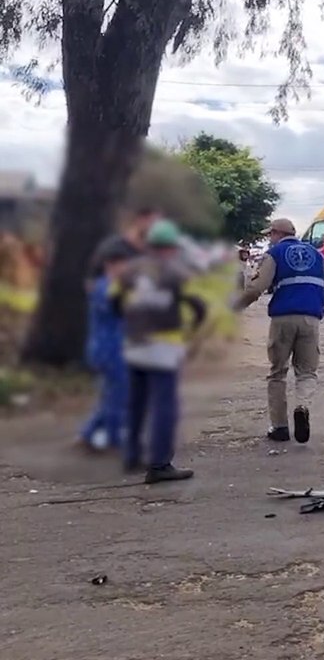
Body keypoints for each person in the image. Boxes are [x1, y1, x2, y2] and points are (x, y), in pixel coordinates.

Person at [111, 219, 207, 483]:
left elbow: (115, 302)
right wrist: (191, 331)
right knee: (165, 405)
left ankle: (131, 456)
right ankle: (160, 464)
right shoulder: (176, 271)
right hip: (164, 345)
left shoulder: (130, 270)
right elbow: (198, 306)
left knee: (136, 402)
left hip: (135, 343)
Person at [236, 218, 324, 444]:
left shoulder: (275, 254)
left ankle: (280, 428)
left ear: (277, 234)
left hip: (282, 318)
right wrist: (315, 305)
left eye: (270, 235)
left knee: (278, 372)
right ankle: (302, 405)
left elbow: (256, 288)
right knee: (307, 372)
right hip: (310, 319)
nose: (269, 239)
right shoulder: (316, 254)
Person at [76, 245, 131, 452]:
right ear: (110, 265)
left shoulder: (108, 286)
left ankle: (88, 433)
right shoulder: (105, 288)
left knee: (110, 393)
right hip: (109, 348)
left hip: (110, 346)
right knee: (119, 394)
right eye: (122, 265)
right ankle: (115, 440)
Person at [89, 206, 160, 281]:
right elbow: (92, 277)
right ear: (141, 219)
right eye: (153, 221)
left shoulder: (154, 251)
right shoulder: (112, 247)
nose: (157, 227)